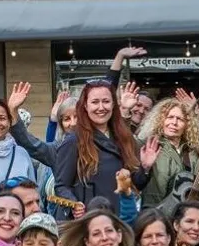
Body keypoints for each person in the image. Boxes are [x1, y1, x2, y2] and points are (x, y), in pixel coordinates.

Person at [54, 81, 147, 215]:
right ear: (85, 105)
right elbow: (61, 186)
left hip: (121, 218)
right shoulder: (74, 141)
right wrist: (74, 204)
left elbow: (136, 183)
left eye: (106, 101)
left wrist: (145, 166)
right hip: (89, 220)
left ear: (114, 104)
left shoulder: (124, 138)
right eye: (95, 102)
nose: (101, 107)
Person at [137, 97, 199, 214]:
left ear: (187, 125)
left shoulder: (193, 152)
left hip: (184, 216)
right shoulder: (147, 144)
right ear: (161, 120)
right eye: (169, 117)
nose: (174, 123)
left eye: (180, 119)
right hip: (153, 213)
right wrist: (144, 168)